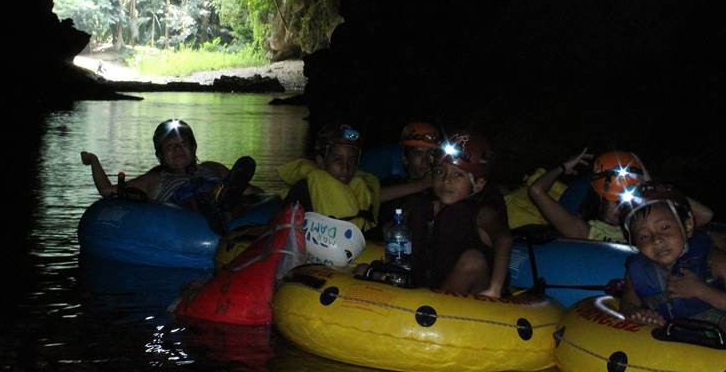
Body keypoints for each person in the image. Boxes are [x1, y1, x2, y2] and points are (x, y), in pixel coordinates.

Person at [81, 119, 255, 228]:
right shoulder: (155, 179)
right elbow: (107, 191)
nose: (178, 149)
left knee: (230, 193)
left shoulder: (213, 168)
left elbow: (253, 194)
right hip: (184, 209)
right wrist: (93, 161)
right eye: (170, 146)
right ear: (160, 155)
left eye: (183, 144)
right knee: (193, 198)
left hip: (220, 195)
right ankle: (213, 204)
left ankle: (223, 202)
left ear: (193, 149)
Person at [407, 129, 513, 297]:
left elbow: (504, 238)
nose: (446, 180)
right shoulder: (423, 209)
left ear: (478, 185)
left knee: (472, 261)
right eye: (440, 172)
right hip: (430, 290)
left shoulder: (481, 212)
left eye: (458, 175)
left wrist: (495, 288)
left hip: (470, 301)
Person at [527, 149, 713, 242]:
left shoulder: (645, 230)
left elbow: (704, 216)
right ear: (600, 199)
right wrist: (563, 167)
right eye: (615, 199)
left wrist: (650, 184)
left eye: (625, 200)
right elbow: (536, 191)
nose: (620, 206)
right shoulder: (582, 231)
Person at [279, 124, 431, 233]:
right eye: (337, 160)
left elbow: (366, 230)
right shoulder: (304, 190)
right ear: (321, 161)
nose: (346, 167)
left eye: (352, 160)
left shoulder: (360, 188)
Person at [618, 182, 725, 331]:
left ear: (687, 226)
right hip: (670, 338)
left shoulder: (714, 259)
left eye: (665, 227)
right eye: (644, 236)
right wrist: (637, 313)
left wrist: (701, 291)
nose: (656, 240)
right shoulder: (636, 270)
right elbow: (627, 303)